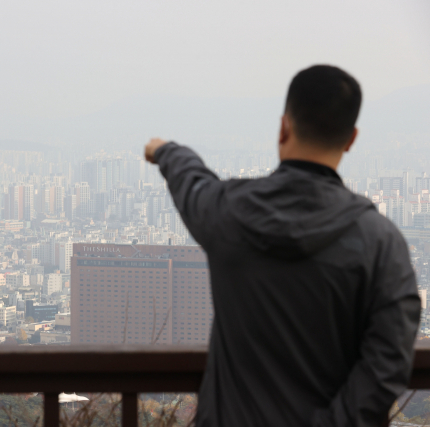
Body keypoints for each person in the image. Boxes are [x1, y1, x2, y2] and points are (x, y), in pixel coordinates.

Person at [144, 65, 420, 427]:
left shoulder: (229, 212)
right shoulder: (380, 240)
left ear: (283, 127)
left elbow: (192, 183)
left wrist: (166, 151)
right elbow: (389, 362)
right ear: (351, 138)